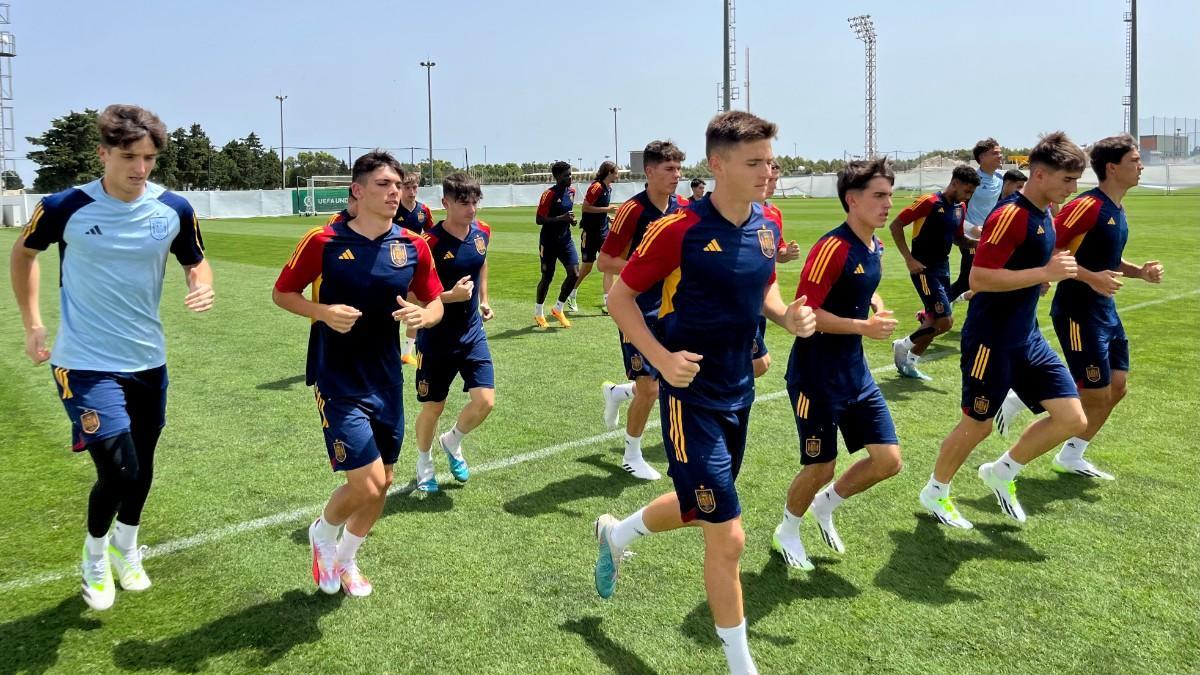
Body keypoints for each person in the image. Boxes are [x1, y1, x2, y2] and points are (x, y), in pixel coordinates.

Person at [592, 111, 816, 675]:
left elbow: (764, 285)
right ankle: (742, 666)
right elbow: (619, 299)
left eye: (770, 160)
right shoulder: (679, 230)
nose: (769, 171)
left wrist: (785, 316)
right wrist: (662, 360)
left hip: (738, 390)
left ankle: (617, 533)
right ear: (717, 165)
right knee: (729, 535)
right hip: (689, 399)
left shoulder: (768, 222)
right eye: (755, 162)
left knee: (701, 510)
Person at [10, 104, 213, 611]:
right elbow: (24, 253)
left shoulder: (174, 210)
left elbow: (196, 261)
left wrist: (201, 286)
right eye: (128, 156)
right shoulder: (65, 206)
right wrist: (34, 324)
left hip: (148, 360)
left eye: (148, 158)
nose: (140, 168)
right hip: (83, 362)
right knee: (119, 470)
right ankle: (95, 555)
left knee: (141, 465)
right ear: (103, 153)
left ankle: (127, 548)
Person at [273, 151, 444, 597]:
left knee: (383, 482)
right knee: (365, 482)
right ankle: (323, 533)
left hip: (387, 378)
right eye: (385, 184)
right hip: (338, 378)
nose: (395, 192)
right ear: (357, 190)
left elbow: (435, 299)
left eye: (399, 185)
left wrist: (425, 317)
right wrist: (322, 312)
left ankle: (346, 560)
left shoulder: (413, 244)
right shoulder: (323, 241)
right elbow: (283, 292)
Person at [918, 132, 1088, 529]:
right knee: (977, 423)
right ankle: (936, 491)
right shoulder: (1011, 214)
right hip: (991, 339)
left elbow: (1017, 269)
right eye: (1067, 180)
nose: (1073, 189)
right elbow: (979, 278)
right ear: (1041, 175)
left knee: (1072, 417)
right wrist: (1043, 273)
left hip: (1026, 336)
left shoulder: (1045, 211)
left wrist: (1037, 279)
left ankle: (1003, 470)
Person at [771, 157, 902, 571]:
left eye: (889, 196)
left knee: (888, 461)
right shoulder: (833, 247)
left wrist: (875, 306)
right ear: (852, 199)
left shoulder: (873, 244)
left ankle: (825, 506)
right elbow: (808, 316)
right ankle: (787, 529)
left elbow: (865, 288)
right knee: (820, 465)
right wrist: (864, 326)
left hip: (855, 373)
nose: (887, 204)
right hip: (816, 376)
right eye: (879, 196)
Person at [1044, 134, 1162, 479]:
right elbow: (1050, 250)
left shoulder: (1117, 207)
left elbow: (1105, 258)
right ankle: (1024, 402)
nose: (1141, 166)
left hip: (1104, 311)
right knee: (1094, 392)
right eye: (1135, 160)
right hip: (1077, 311)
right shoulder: (1086, 205)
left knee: (1118, 386)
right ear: (1112, 167)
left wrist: (1138, 271)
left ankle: (1072, 455)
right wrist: (1090, 277)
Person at [597, 140, 688, 480]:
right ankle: (631, 454)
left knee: (668, 377)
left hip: (672, 307)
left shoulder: (680, 207)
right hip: (633, 306)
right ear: (649, 172)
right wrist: (647, 269)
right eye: (669, 169)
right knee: (651, 386)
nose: (676, 175)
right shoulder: (632, 210)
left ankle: (619, 393)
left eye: (679, 168)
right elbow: (605, 261)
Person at [412, 172, 496, 492]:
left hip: (472, 332)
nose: (472, 209)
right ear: (446, 203)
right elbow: (413, 296)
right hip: (436, 338)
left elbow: (481, 262)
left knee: (485, 401)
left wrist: (483, 300)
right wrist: (449, 297)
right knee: (434, 407)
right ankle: (424, 462)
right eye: (464, 203)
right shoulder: (427, 244)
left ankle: (453, 441)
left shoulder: (482, 232)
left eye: (475, 202)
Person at [889, 165, 980, 380]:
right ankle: (903, 345)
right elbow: (895, 225)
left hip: (943, 268)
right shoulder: (929, 202)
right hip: (923, 269)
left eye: (972, 193)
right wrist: (909, 259)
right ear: (955, 183)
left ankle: (910, 363)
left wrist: (982, 243)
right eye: (967, 191)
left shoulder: (960, 208)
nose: (968, 197)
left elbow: (959, 239)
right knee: (944, 322)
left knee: (933, 318)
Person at [753, 160, 802, 378]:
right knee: (759, 363)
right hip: (739, 303)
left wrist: (786, 254)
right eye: (768, 180)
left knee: (753, 365)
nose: (771, 184)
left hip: (761, 299)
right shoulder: (734, 213)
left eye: (775, 180)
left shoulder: (774, 214)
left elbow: (773, 253)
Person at [949, 137, 1005, 303]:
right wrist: (970, 228)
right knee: (968, 279)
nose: (1000, 156)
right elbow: (955, 209)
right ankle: (935, 311)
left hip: (990, 237)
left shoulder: (1001, 180)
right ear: (981, 157)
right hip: (970, 236)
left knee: (987, 278)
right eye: (994, 153)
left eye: (1000, 153)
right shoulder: (971, 179)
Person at [568, 161, 621, 313]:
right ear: (609, 172)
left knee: (609, 265)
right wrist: (607, 209)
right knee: (586, 268)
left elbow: (599, 211)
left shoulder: (608, 188)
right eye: (616, 172)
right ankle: (571, 294)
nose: (617, 175)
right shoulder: (596, 187)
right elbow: (585, 208)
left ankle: (607, 303)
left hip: (604, 232)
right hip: (590, 234)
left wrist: (607, 217)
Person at [533, 161, 578, 328]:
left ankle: (558, 308)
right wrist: (562, 218)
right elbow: (539, 220)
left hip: (565, 240)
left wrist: (571, 220)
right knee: (547, 277)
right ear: (558, 177)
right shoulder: (549, 194)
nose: (570, 177)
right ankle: (538, 313)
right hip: (548, 241)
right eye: (567, 175)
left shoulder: (571, 192)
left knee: (574, 274)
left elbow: (566, 214)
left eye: (570, 174)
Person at [396, 172, 434, 365]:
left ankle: (406, 352)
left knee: (413, 306)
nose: (411, 192)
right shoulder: (393, 210)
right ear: (400, 188)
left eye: (414, 188)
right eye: (407, 188)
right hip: (393, 266)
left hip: (415, 265)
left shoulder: (423, 210)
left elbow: (431, 234)